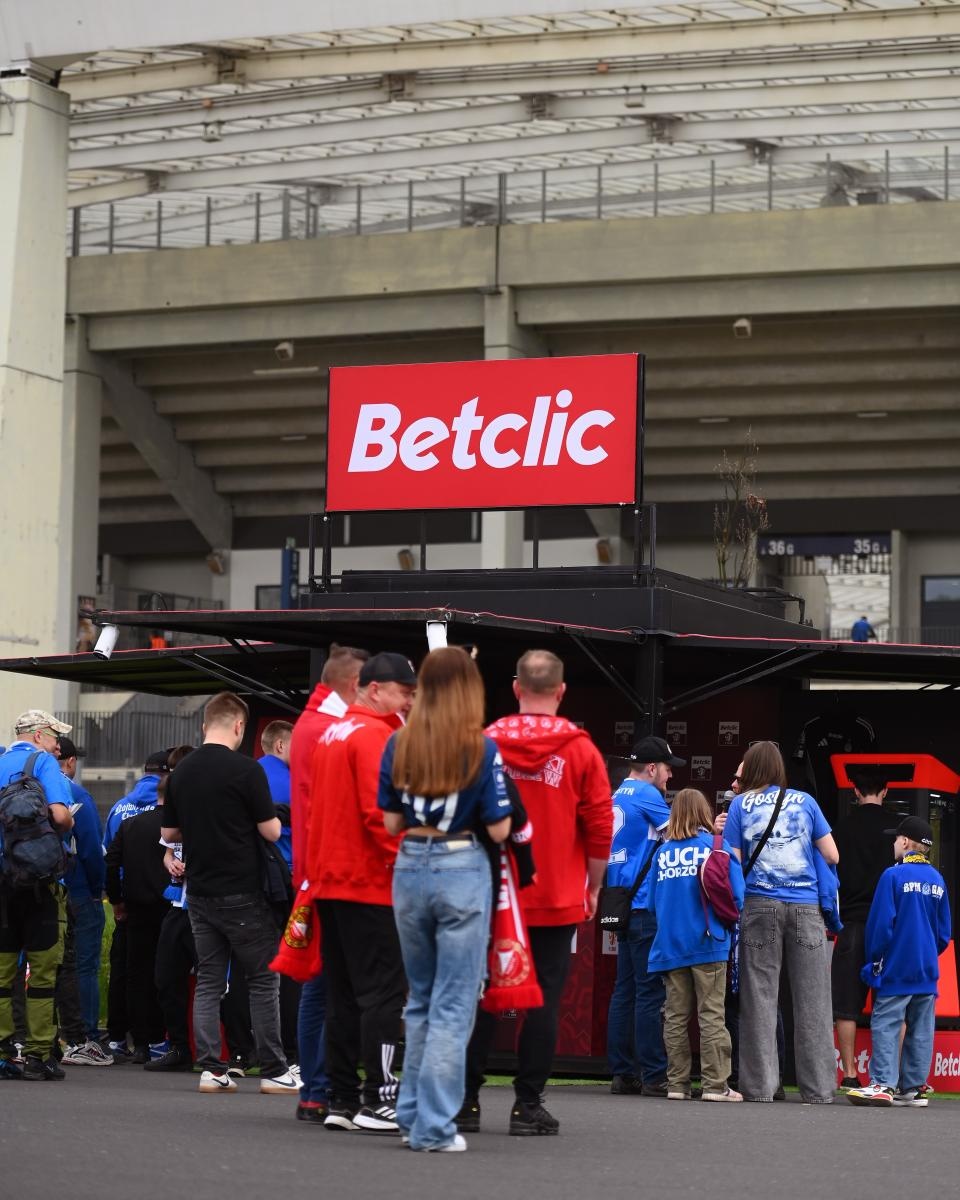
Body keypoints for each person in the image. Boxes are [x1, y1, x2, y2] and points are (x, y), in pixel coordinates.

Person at [463, 649, 612, 1137]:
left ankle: (465, 1101)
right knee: (544, 999)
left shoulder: (486, 741)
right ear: (562, 691)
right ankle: (528, 1105)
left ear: (515, 688)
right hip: (554, 893)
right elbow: (598, 825)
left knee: (480, 993)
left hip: (489, 888)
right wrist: (592, 886)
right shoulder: (581, 748)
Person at [379, 646, 512, 1152]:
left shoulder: (399, 742)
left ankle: (412, 1116)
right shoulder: (481, 747)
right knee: (454, 1005)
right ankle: (435, 1127)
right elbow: (499, 828)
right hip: (461, 865)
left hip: (410, 863)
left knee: (419, 999)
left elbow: (391, 821)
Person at [161, 691, 297, 1095]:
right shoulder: (246, 770)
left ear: (205, 725)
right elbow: (272, 831)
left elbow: (169, 833)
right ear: (240, 726)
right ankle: (274, 1069)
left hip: (199, 890)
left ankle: (211, 1069)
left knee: (208, 980)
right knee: (262, 979)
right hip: (243, 890)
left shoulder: (181, 772)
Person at [305, 651, 415, 1133]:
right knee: (384, 995)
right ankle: (380, 1098)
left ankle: (342, 1099)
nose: (409, 700)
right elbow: (381, 815)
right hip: (369, 882)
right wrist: (414, 862)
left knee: (344, 996)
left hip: (331, 879)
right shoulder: (375, 735)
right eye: (403, 691)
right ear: (375, 689)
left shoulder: (334, 731)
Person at [723, 740, 839, 1104]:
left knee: (759, 997)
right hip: (806, 908)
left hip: (759, 905)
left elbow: (732, 861)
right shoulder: (805, 801)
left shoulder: (740, 805)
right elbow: (832, 853)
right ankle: (819, 1089)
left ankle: (759, 1088)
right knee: (814, 1000)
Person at [288, 644, 368, 1124]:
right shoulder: (329, 730)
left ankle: (317, 1090)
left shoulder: (314, 724)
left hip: (316, 870)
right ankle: (320, 1088)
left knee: (322, 983)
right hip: (332, 871)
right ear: (358, 685)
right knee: (328, 985)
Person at [847, 816, 951, 1107]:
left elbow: (880, 927)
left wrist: (876, 961)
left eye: (896, 839)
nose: (894, 843)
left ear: (905, 842)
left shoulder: (892, 876)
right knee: (920, 1029)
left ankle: (882, 1084)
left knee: (886, 1023)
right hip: (927, 969)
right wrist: (926, 953)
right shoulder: (937, 879)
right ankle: (914, 1088)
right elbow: (944, 933)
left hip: (896, 967)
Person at [648, 787, 745, 1101]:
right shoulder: (716, 845)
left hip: (669, 945)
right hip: (708, 942)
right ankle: (715, 1086)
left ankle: (677, 1085)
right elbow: (738, 896)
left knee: (675, 1017)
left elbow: (651, 905)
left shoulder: (661, 854)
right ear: (703, 812)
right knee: (711, 1015)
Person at [605, 735, 684, 1098]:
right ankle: (654, 1075)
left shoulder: (613, 795)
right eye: (668, 769)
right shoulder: (650, 796)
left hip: (618, 903)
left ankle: (622, 1073)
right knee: (649, 993)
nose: (670, 777)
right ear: (652, 768)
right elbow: (681, 837)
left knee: (624, 991)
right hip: (642, 905)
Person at [0, 710, 74, 1081]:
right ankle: (38, 1055)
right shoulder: (42, 762)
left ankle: (1, 1053)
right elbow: (60, 817)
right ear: (39, 735)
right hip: (39, 881)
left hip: (1, 881)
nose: (58, 746)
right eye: (55, 737)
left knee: (0, 972)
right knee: (43, 972)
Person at [102, 749, 169, 1061]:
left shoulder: (123, 813)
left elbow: (109, 860)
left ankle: (132, 1040)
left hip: (134, 903)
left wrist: (116, 899)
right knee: (167, 973)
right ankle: (163, 1040)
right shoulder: (178, 821)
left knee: (132, 972)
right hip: (170, 905)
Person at [832, 768, 895, 1089]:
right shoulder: (897, 828)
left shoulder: (841, 828)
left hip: (852, 923)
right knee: (892, 1000)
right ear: (885, 790)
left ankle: (850, 1075)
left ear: (855, 791)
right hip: (888, 926)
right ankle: (890, 1077)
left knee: (846, 1003)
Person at [57, 737, 112, 1067]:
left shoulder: (23, 788)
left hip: (38, 889)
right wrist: (98, 888)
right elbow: (92, 850)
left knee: (43, 966)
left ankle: (42, 1035)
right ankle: (86, 1037)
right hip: (79, 889)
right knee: (84, 966)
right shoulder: (77, 796)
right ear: (71, 761)